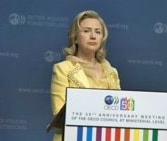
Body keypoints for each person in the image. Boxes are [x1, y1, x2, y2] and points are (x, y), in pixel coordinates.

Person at [49, 10, 121, 141]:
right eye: (87, 31)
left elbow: (119, 113)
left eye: (98, 32)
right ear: (75, 37)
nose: (93, 36)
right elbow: (59, 113)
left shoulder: (112, 72)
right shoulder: (62, 69)